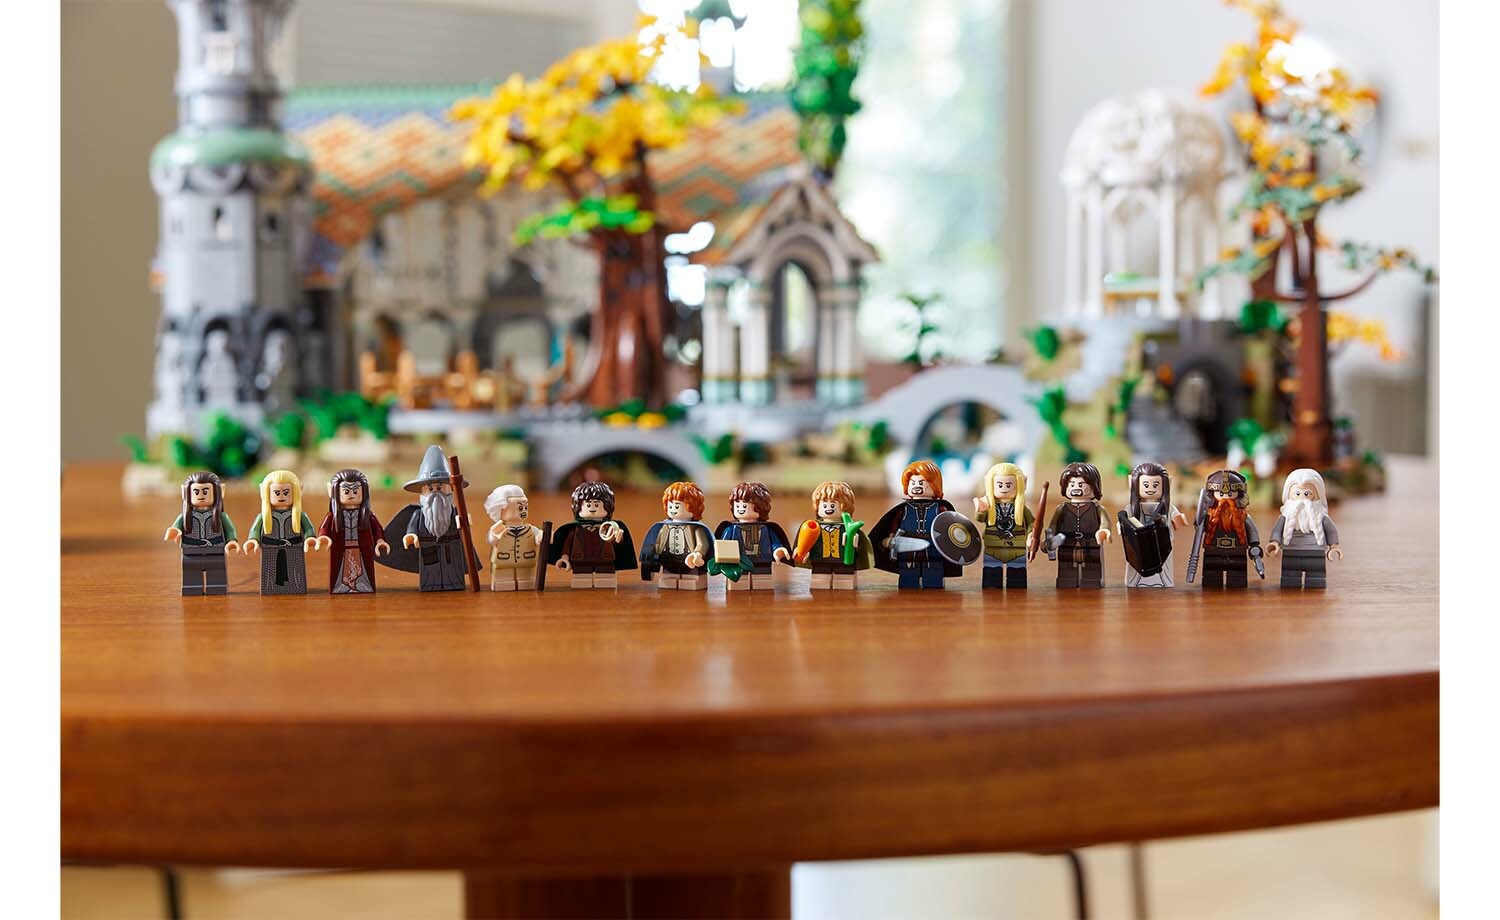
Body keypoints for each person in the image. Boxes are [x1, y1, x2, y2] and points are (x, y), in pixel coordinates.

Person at [244, 469, 324, 595]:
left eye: (286, 493)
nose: (281, 497)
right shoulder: (263, 517)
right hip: (270, 548)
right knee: (271, 573)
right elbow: (255, 530)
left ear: (297, 491)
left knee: (294, 572)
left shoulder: (299, 515)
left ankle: (295, 588)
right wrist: (253, 540)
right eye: (277, 493)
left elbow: (308, 528)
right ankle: (271, 589)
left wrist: (310, 538)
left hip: (294, 547)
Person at [163, 471, 239, 596]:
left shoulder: (220, 516)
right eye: (196, 492)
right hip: (190, 552)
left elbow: (230, 529)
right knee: (191, 576)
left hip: (215, 550)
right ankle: (192, 588)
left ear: (219, 492)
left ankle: (217, 587)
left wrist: (232, 540)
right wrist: (175, 531)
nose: (201, 495)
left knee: (217, 575)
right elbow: (176, 527)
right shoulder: (185, 517)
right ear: (186, 492)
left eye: (205, 491)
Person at [1266, 468, 1342, 589]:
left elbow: (1331, 530)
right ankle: (1291, 581)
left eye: (1307, 493)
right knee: (1290, 578)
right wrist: (1274, 542)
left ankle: (1315, 581)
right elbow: (1277, 530)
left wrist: (1334, 546)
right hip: (1291, 553)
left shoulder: (1321, 516)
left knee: (1316, 579)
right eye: (1297, 493)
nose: (1302, 499)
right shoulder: (1286, 516)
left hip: (1316, 553)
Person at [791, 481, 872, 590]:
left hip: (844, 563)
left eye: (833, 505)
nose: (828, 508)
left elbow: (861, 546)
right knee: (820, 582)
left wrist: (855, 541)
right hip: (820, 561)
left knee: (844, 582)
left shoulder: (848, 528)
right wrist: (803, 551)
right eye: (824, 505)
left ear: (845, 506)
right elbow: (806, 542)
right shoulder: (813, 527)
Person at [319, 468, 389, 595]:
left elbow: (377, 528)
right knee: (342, 569)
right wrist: (323, 537)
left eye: (355, 491)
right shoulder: (333, 516)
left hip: (361, 548)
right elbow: (324, 528)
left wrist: (380, 541)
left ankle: (362, 585)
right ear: (334, 492)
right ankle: (341, 586)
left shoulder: (367, 516)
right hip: (341, 548)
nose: (351, 494)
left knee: (361, 568)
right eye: (346, 491)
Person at [1044, 462, 1112, 590]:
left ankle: (1092, 580)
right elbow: (1053, 524)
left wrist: (1104, 530)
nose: (1076, 488)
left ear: (1094, 486)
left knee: (1092, 566)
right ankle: (1067, 580)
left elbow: (1105, 522)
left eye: (1081, 484)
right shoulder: (1061, 509)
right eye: (1072, 484)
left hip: (1091, 543)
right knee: (1066, 566)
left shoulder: (1097, 508)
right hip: (1066, 543)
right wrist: (1051, 538)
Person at [973, 462, 1035, 591]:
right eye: (1000, 485)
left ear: (1019, 485)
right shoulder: (989, 506)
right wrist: (981, 510)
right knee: (991, 578)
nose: (1004, 488)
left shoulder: (1021, 508)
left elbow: (1031, 522)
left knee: (1017, 579)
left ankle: (1016, 584)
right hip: (993, 547)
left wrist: (1031, 535)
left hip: (1017, 547)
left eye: (1009, 485)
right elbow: (980, 519)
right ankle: (992, 584)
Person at [484, 484, 544, 592]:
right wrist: (495, 536)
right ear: (501, 509)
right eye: (520, 508)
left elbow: (538, 537)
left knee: (525, 578)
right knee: (503, 578)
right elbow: (491, 540)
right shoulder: (499, 529)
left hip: (526, 561)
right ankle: (502, 582)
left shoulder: (530, 529)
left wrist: (540, 537)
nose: (523, 511)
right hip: (503, 561)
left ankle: (525, 582)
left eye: (525, 507)